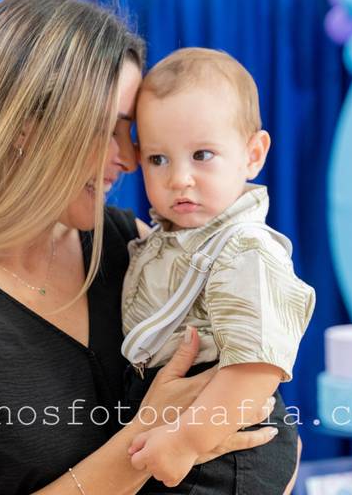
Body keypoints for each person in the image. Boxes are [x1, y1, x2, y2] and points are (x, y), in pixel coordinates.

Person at [0, 0, 280, 495]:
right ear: (23, 126)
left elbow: (263, 429)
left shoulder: (137, 247)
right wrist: (141, 445)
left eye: (133, 135)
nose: (130, 159)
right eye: (111, 130)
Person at [120, 48, 316, 494]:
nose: (179, 178)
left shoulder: (246, 248)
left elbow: (256, 367)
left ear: (253, 154)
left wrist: (187, 440)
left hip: (223, 444)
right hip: (179, 430)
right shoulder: (167, 238)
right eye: (158, 159)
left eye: (202, 154)